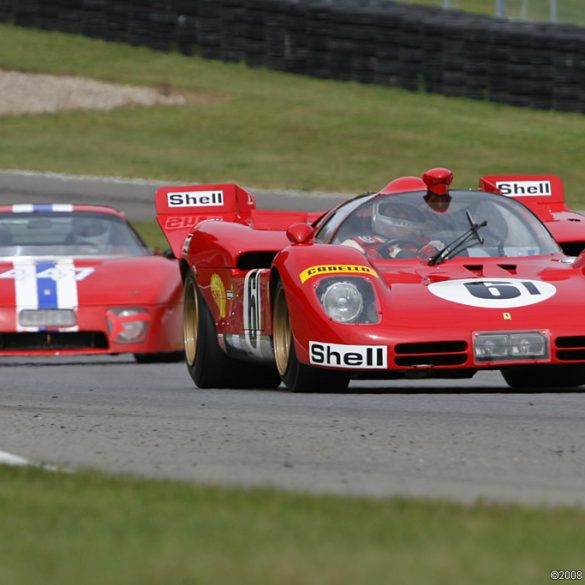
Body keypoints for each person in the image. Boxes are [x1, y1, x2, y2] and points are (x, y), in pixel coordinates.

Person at [342, 197, 445, 260]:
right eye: (394, 212)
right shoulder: (355, 246)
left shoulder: (430, 245)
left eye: (407, 214)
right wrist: (368, 263)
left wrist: (435, 258)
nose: (401, 217)